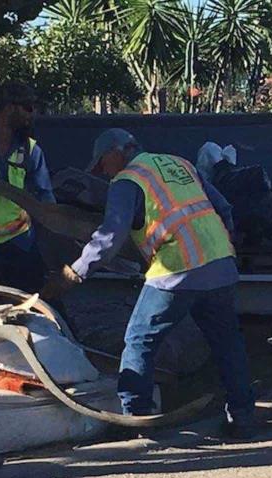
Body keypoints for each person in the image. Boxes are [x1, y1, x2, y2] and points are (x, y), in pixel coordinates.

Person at [41, 128, 256, 438]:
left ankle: (138, 419)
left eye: (102, 164)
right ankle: (243, 415)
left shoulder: (127, 180)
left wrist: (75, 272)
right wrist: (221, 243)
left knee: (140, 341)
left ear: (116, 152)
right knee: (226, 342)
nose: (103, 172)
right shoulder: (179, 164)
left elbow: (110, 236)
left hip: (178, 269)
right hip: (221, 266)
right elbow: (223, 208)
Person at [0, 82, 55, 292]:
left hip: (19, 241)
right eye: (28, 108)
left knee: (33, 301)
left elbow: (45, 198)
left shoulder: (31, 150)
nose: (32, 115)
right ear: (9, 108)